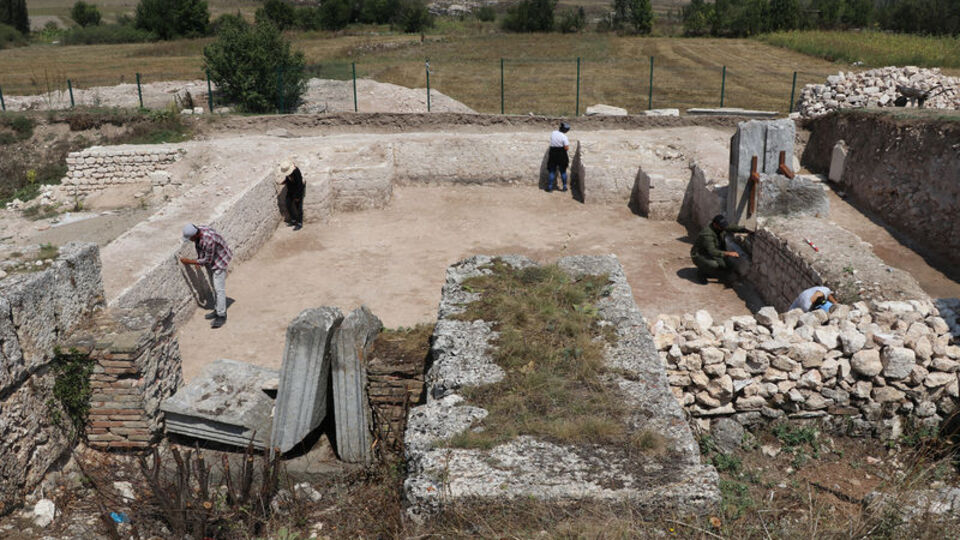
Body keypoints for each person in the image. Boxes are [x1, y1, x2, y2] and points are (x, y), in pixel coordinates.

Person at [179, 224, 233, 329]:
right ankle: (218, 309)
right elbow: (199, 247)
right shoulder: (199, 231)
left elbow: (207, 259)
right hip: (212, 261)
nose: (190, 240)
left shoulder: (209, 240)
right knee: (214, 287)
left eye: (190, 238)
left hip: (219, 262)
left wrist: (190, 261)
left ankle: (222, 315)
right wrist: (199, 259)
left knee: (219, 289)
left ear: (195, 235)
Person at [691, 214, 751, 281]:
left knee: (727, 266)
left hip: (712, 252)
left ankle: (711, 271)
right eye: (721, 226)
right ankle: (702, 272)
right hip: (700, 255)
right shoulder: (707, 235)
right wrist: (728, 253)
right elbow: (712, 251)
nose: (723, 228)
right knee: (714, 265)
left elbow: (732, 227)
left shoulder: (720, 227)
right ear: (715, 224)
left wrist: (746, 230)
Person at [277, 160, 305, 231]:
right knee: (288, 204)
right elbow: (288, 179)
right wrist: (283, 182)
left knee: (298, 208)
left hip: (297, 192)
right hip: (290, 191)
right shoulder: (288, 173)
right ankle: (293, 220)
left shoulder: (296, 171)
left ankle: (299, 223)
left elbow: (299, 184)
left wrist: (298, 196)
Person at [546, 122, 571, 193]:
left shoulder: (553, 133)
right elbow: (566, 148)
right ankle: (564, 187)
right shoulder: (564, 137)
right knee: (563, 171)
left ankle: (550, 187)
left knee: (552, 171)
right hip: (561, 153)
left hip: (552, 152)